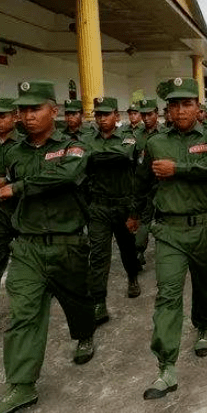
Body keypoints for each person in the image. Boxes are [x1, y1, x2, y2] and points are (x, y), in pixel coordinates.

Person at [0, 80, 95, 413]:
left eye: (35, 109)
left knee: (79, 302)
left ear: (54, 111)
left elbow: (65, 177)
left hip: (67, 243)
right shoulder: (12, 152)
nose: (27, 116)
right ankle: (22, 385)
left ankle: (84, 334)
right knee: (23, 315)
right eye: (22, 110)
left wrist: (17, 188)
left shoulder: (74, 147)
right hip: (27, 247)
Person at [142, 78, 207, 400]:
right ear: (168, 110)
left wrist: (178, 168)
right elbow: (143, 183)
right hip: (169, 232)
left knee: (205, 286)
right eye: (175, 105)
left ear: (198, 108)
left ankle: (204, 327)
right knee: (167, 295)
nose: (181, 110)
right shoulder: (154, 142)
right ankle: (166, 366)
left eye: (187, 104)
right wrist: (137, 219)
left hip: (206, 228)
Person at [83, 97, 143, 327]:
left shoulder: (128, 137)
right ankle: (99, 301)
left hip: (123, 204)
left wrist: (95, 156)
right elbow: (85, 162)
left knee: (128, 248)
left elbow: (124, 155)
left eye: (106, 114)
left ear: (116, 116)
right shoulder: (89, 139)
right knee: (98, 256)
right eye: (98, 115)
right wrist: (104, 155)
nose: (101, 118)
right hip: (99, 206)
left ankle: (132, 277)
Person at [134, 98, 165, 266]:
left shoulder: (166, 133)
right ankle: (139, 251)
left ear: (157, 113)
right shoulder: (136, 135)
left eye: (149, 114)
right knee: (144, 220)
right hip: (144, 185)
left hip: (161, 184)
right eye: (143, 114)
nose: (146, 118)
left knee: (163, 220)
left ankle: (165, 254)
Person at [0, 98, 21, 279]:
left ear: (14, 117)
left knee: (29, 258)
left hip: (23, 210)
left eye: (2, 116)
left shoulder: (24, 143)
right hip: (1, 213)